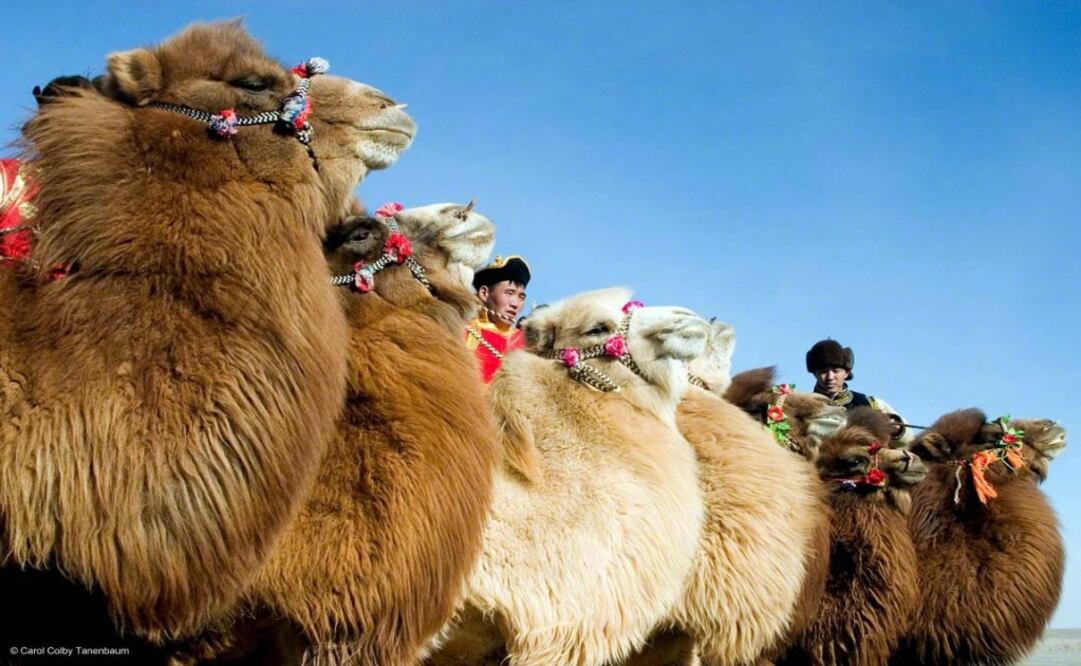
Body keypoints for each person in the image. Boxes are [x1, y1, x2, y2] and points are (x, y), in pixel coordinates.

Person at [805, 338, 913, 444]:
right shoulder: (805, 406)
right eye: (823, 372)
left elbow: (907, 440)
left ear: (846, 373)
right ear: (815, 374)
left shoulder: (871, 404)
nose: (830, 377)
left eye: (836, 371)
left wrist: (896, 429)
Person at [465, 255, 530, 383]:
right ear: (484, 293)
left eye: (521, 297)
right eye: (509, 293)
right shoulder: (464, 331)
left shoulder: (528, 343)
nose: (515, 304)